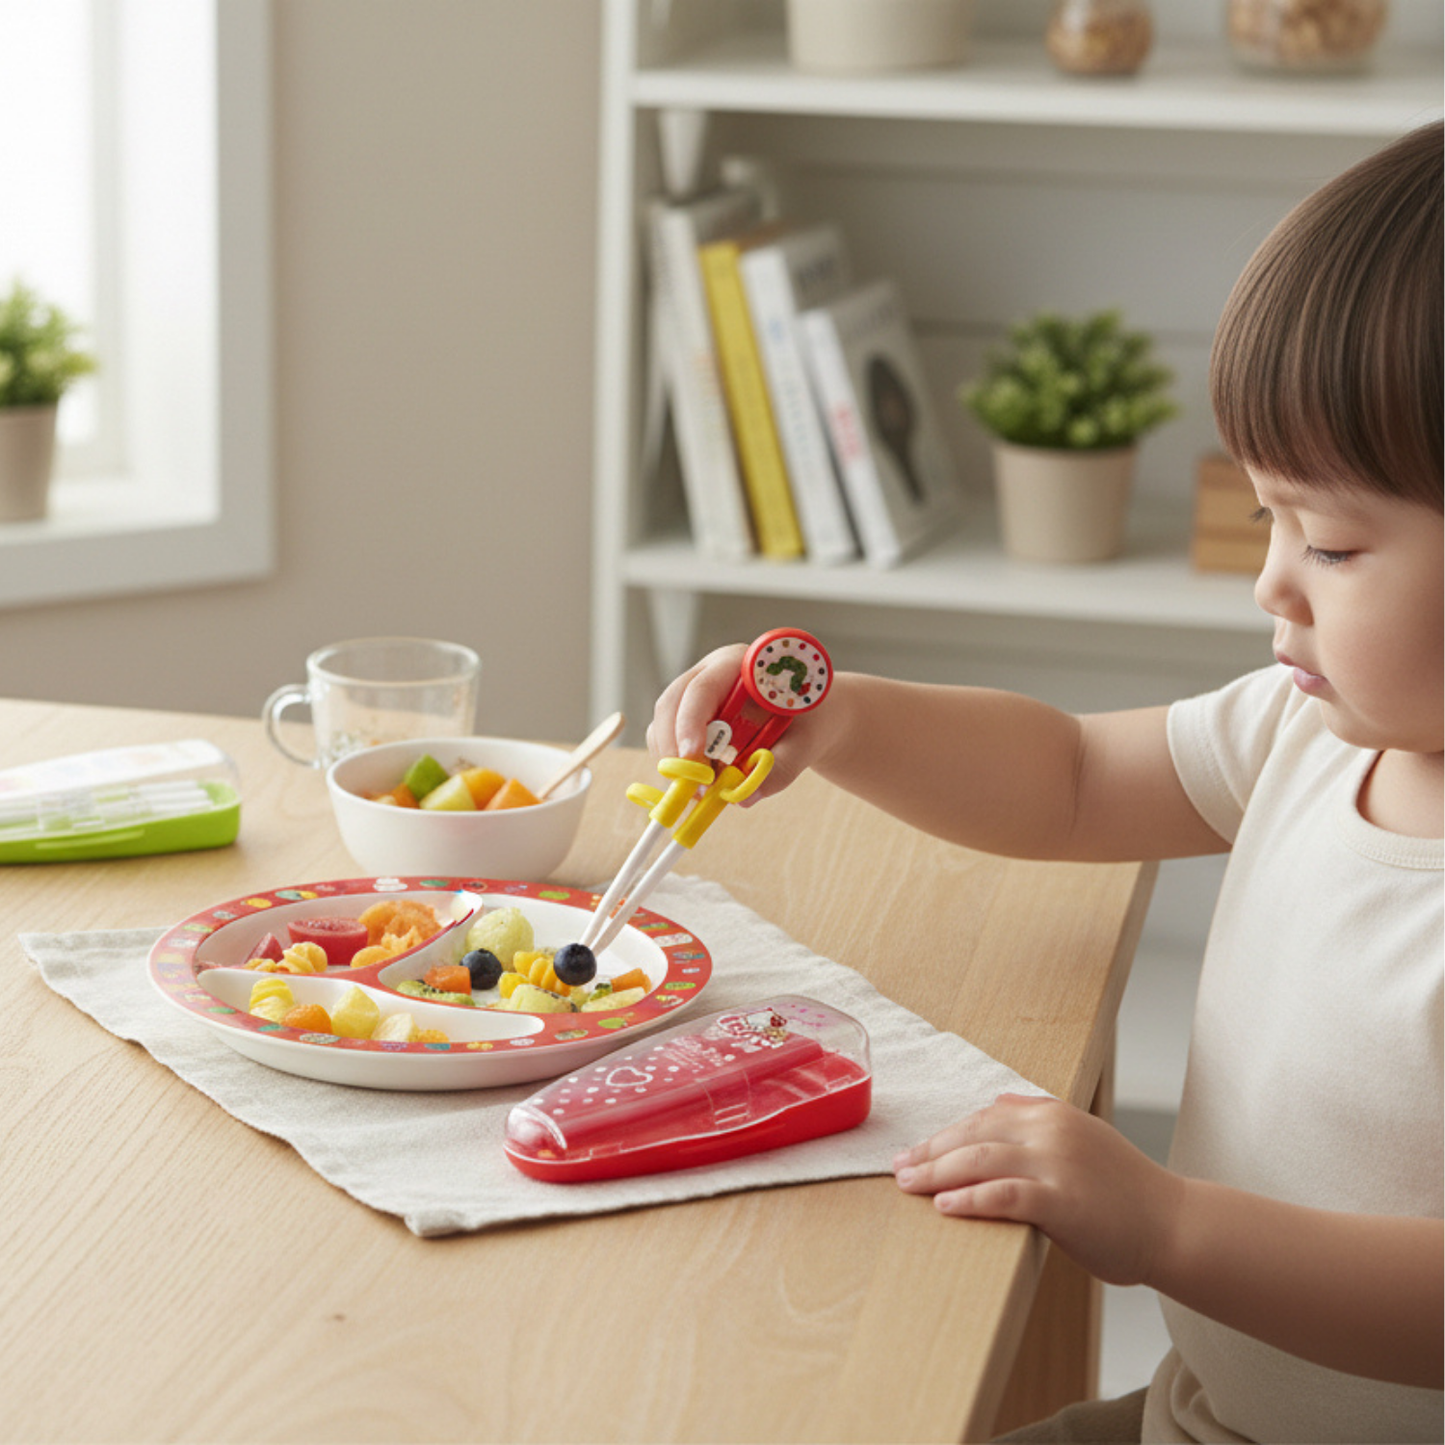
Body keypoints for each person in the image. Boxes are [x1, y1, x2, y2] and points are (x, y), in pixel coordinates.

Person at [646, 121, 1443, 1444]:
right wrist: (842, 722)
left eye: (1334, 543)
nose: (1271, 581)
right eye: (1267, 522)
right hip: (1199, 1414)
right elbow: (1068, 778)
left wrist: (1167, 1224)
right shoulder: (1312, 738)